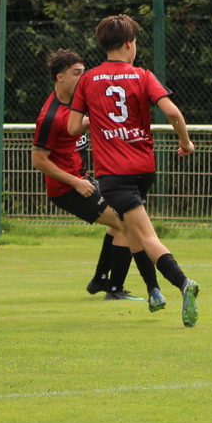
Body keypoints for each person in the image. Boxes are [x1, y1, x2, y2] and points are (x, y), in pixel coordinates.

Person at [66, 14, 202, 327]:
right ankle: (153, 291)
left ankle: (183, 283)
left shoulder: (88, 80)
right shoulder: (143, 76)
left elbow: (73, 127)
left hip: (114, 175)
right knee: (130, 229)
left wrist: (98, 118)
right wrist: (186, 142)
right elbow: (173, 112)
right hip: (144, 169)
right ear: (129, 44)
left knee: (145, 235)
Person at [31, 48, 142, 301]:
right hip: (68, 188)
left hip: (83, 179)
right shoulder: (49, 117)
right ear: (60, 77)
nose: (82, 78)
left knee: (121, 220)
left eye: (83, 72)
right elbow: (38, 160)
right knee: (127, 224)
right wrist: (76, 182)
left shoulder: (75, 103)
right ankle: (114, 290)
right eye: (76, 73)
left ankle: (101, 280)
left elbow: (82, 124)